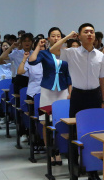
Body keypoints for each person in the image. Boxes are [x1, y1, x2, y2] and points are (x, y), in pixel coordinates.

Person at [50, 24, 104, 150]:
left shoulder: (100, 55)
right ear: (79, 36)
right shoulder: (72, 52)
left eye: (92, 32)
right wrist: (68, 37)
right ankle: (75, 157)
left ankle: (92, 155)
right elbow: (52, 50)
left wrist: (103, 100)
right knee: (75, 127)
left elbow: (102, 79)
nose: (89, 34)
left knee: (94, 126)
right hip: (78, 95)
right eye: (86, 32)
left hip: (95, 95)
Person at [28, 28, 72, 165]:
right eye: (53, 36)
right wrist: (38, 46)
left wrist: (70, 92)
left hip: (63, 90)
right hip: (47, 91)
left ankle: (59, 150)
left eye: (58, 36)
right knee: (45, 122)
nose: (56, 38)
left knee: (62, 121)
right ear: (48, 38)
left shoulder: (66, 53)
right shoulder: (44, 53)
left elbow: (69, 75)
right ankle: (50, 150)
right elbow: (32, 61)